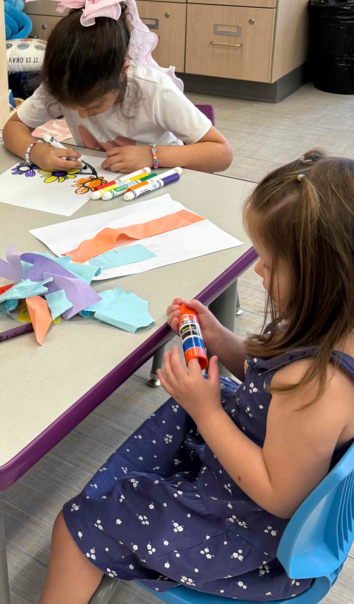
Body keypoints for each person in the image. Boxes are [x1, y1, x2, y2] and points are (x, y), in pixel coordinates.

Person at [37, 149, 354, 603]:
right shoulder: (331, 326)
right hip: (267, 472)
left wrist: (205, 411)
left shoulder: (313, 385)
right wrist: (221, 337)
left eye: (270, 262)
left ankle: (98, 534)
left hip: (251, 539)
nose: (258, 271)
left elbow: (278, 494)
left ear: (322, 275)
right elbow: (266, 385)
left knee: (78, 523)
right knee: (193, 403)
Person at [2, 0, 233, 175]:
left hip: (159, 181)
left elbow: (221, 153)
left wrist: (152, 156)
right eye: (70, 107)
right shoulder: (62, 82)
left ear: (123, 72)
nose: (82, 115)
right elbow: (13, 126)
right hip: (103, 184)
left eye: (94, 106)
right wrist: (35, 151)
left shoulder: (153, 89)